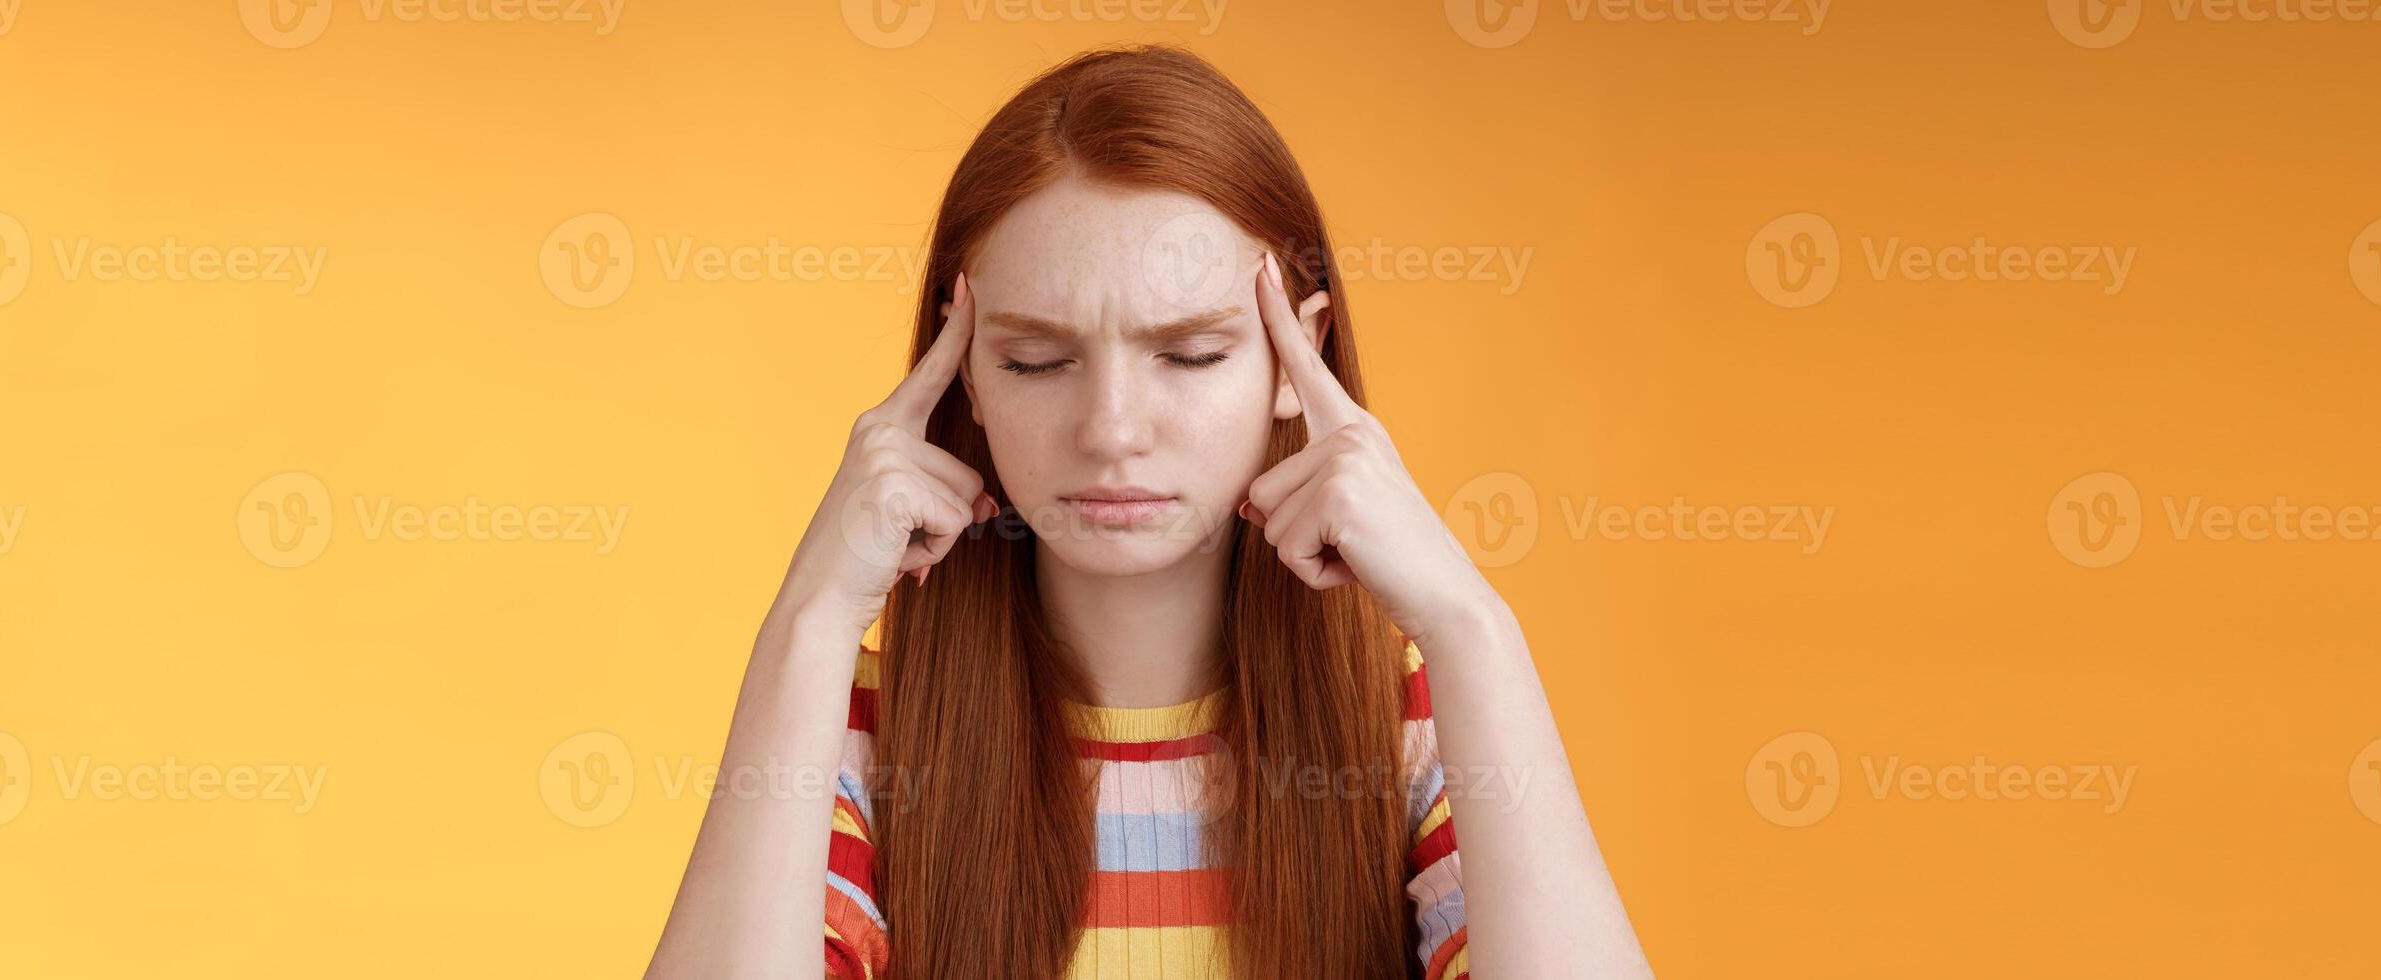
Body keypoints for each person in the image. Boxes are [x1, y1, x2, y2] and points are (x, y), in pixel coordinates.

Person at [646, 45, 1652, 980]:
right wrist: (808, 622)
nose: (1112, 428)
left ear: (1292, 366)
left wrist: (1471, 629)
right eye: (1035, 360)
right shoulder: (851, 734)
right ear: (961, 380)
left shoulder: (1420, 737)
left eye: (1190, 353)